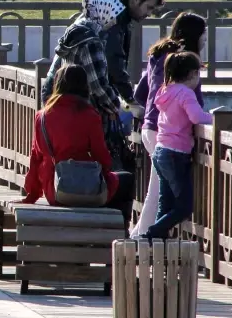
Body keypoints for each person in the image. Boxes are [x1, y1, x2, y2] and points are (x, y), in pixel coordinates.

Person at [22, 64, 136, 227]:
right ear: (84, 85)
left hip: (55, 190)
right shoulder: (89, 114)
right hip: (84, 187)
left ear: (57, 85)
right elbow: (101, 157)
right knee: (126, 179)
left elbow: (36, 157)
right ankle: (117, 230)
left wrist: (32, 195)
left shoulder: (42, 116)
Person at [131, 13, 207, 237]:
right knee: (157, 192)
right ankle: (142, 238)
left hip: (150, 126)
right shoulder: (186, 61)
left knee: (158, 191)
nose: (205, 38)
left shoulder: (159, 54)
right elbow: (196, 104)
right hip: (168, 132)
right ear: (196, 34)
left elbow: (139, 93)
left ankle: (147, 237)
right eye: (204, 33)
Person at [141, 52, 213, 239]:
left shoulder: (166, 90)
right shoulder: (186, 93)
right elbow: (197, 117)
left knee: (165, 204)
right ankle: (153, 233)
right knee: (184, 207)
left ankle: (157, 246)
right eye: (198, 74)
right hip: (176, 154)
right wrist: (214, 118)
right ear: (191, 74)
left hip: (161, 150)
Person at [41, 0, 125, 121]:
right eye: (112, 15)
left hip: (63, 103)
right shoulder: (91, 42)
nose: (114, 21)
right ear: (102, 12)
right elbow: (97, 84)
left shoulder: (76, 29)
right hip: (81, 110)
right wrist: (117, 107)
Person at [86, 0, 163, 109]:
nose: (149, 14)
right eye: (149, 7)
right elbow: (113, 58)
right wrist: (129, 98)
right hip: (82, 92)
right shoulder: (113, 14)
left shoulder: (109, 3)